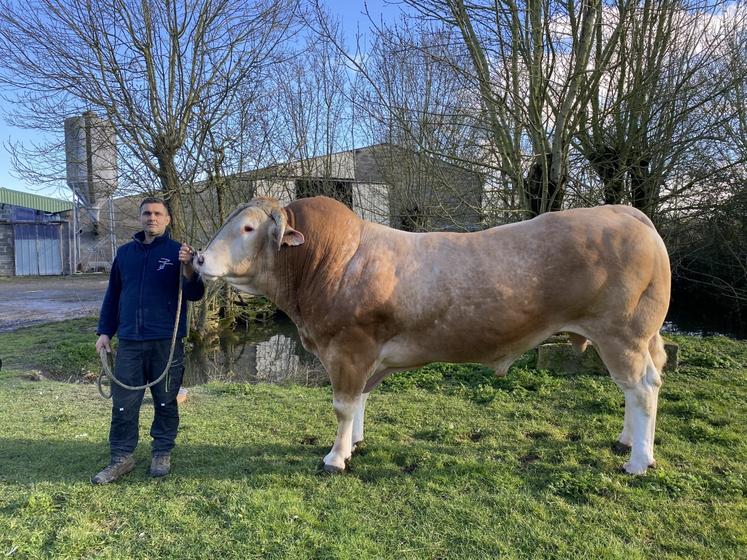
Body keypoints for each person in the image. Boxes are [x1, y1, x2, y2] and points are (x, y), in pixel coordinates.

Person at [92, 197, 205, 484]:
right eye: (147, 213)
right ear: (140, 218)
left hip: (166, 342)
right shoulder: (125, 254)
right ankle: (121, 457)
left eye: (157, 213)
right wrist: (105, 332)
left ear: (167, 219)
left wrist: (190, 268)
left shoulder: (180, 253)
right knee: (123, 403)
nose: (151, 217)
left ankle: (162, 452)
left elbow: (194, 294)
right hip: (130, 340)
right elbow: (113, 296)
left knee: (166, 401)